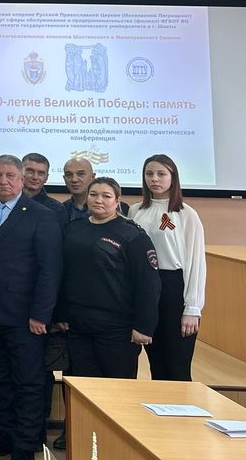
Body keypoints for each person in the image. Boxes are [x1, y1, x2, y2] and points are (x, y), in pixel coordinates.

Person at [0, 154, 61, 460]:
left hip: (24, 317)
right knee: (1, 379)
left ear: (21, 179)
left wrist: (41, 314)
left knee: (28, 382)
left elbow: (50, 270)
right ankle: (7, 434)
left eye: (10, 175)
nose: (3, 181)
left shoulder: (41, 215)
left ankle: (26, 445)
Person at [57, 177, 161, 379]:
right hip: (77, 325)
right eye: (93, 195)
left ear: (117, 201)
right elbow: (63, 274)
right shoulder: (73, 229)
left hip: (117, 328)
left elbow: (148, 283)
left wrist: (144, 326)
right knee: (80, 384)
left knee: (116, 386)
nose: (98, 200)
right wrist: (61, 313)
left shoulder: (133, 235)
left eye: (106, 196)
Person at [128, 154, 207, 381]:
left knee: (177, 365)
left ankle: (182, 403)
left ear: (173, 178)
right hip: (145, 289)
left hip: (173, 288)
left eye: (161, 174)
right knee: (157, 363)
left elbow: (196, 262)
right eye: (149, 174)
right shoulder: (135, 211)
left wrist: (192, 308)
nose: (154, 179)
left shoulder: (186, 214)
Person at [22, 152, 68, 448]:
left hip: (41, 306)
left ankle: (37, 429)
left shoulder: (54, 210)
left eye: (41, 173)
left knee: (41, 371)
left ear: (47, 177)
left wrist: (51, 310)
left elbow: (55, 264)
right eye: (30, 171)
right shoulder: (4, 204)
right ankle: (14, 425)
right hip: (11, 303)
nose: (35, 177)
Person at [61, 158, 95, 224]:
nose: (74, 180)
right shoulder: (59, 210)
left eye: (81, 174)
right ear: (64, 179)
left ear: (92, 177)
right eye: (69, 175)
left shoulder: (106, 208)